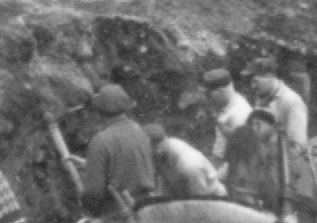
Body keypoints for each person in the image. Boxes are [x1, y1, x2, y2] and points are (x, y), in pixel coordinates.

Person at [73, 85, 155, 216]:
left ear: (99, 113)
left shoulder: (100, 141)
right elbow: (129, 165)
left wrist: (87, 208)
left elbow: (93, 192)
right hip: (148, 207)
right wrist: (89, 165)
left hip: (119, 213)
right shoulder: (141, 132)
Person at [146, 124, 226, 197]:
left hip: (213, 201)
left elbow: (199, 202)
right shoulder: (163, 151)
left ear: (157, 147)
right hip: (183, 197)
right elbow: (163, 184)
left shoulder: (190, 166)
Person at [245, 57, 309, 147]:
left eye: (255, 81)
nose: (253, 86)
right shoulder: (261, 94)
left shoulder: (292, 102)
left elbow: (298, 145)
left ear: (269, 76)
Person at [200, 68, 253, 171]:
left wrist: (215, 178)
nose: (208, 98)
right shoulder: (229, 106)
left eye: (209, 94)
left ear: (219, 91)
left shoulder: (239, 114)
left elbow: (241, 157)